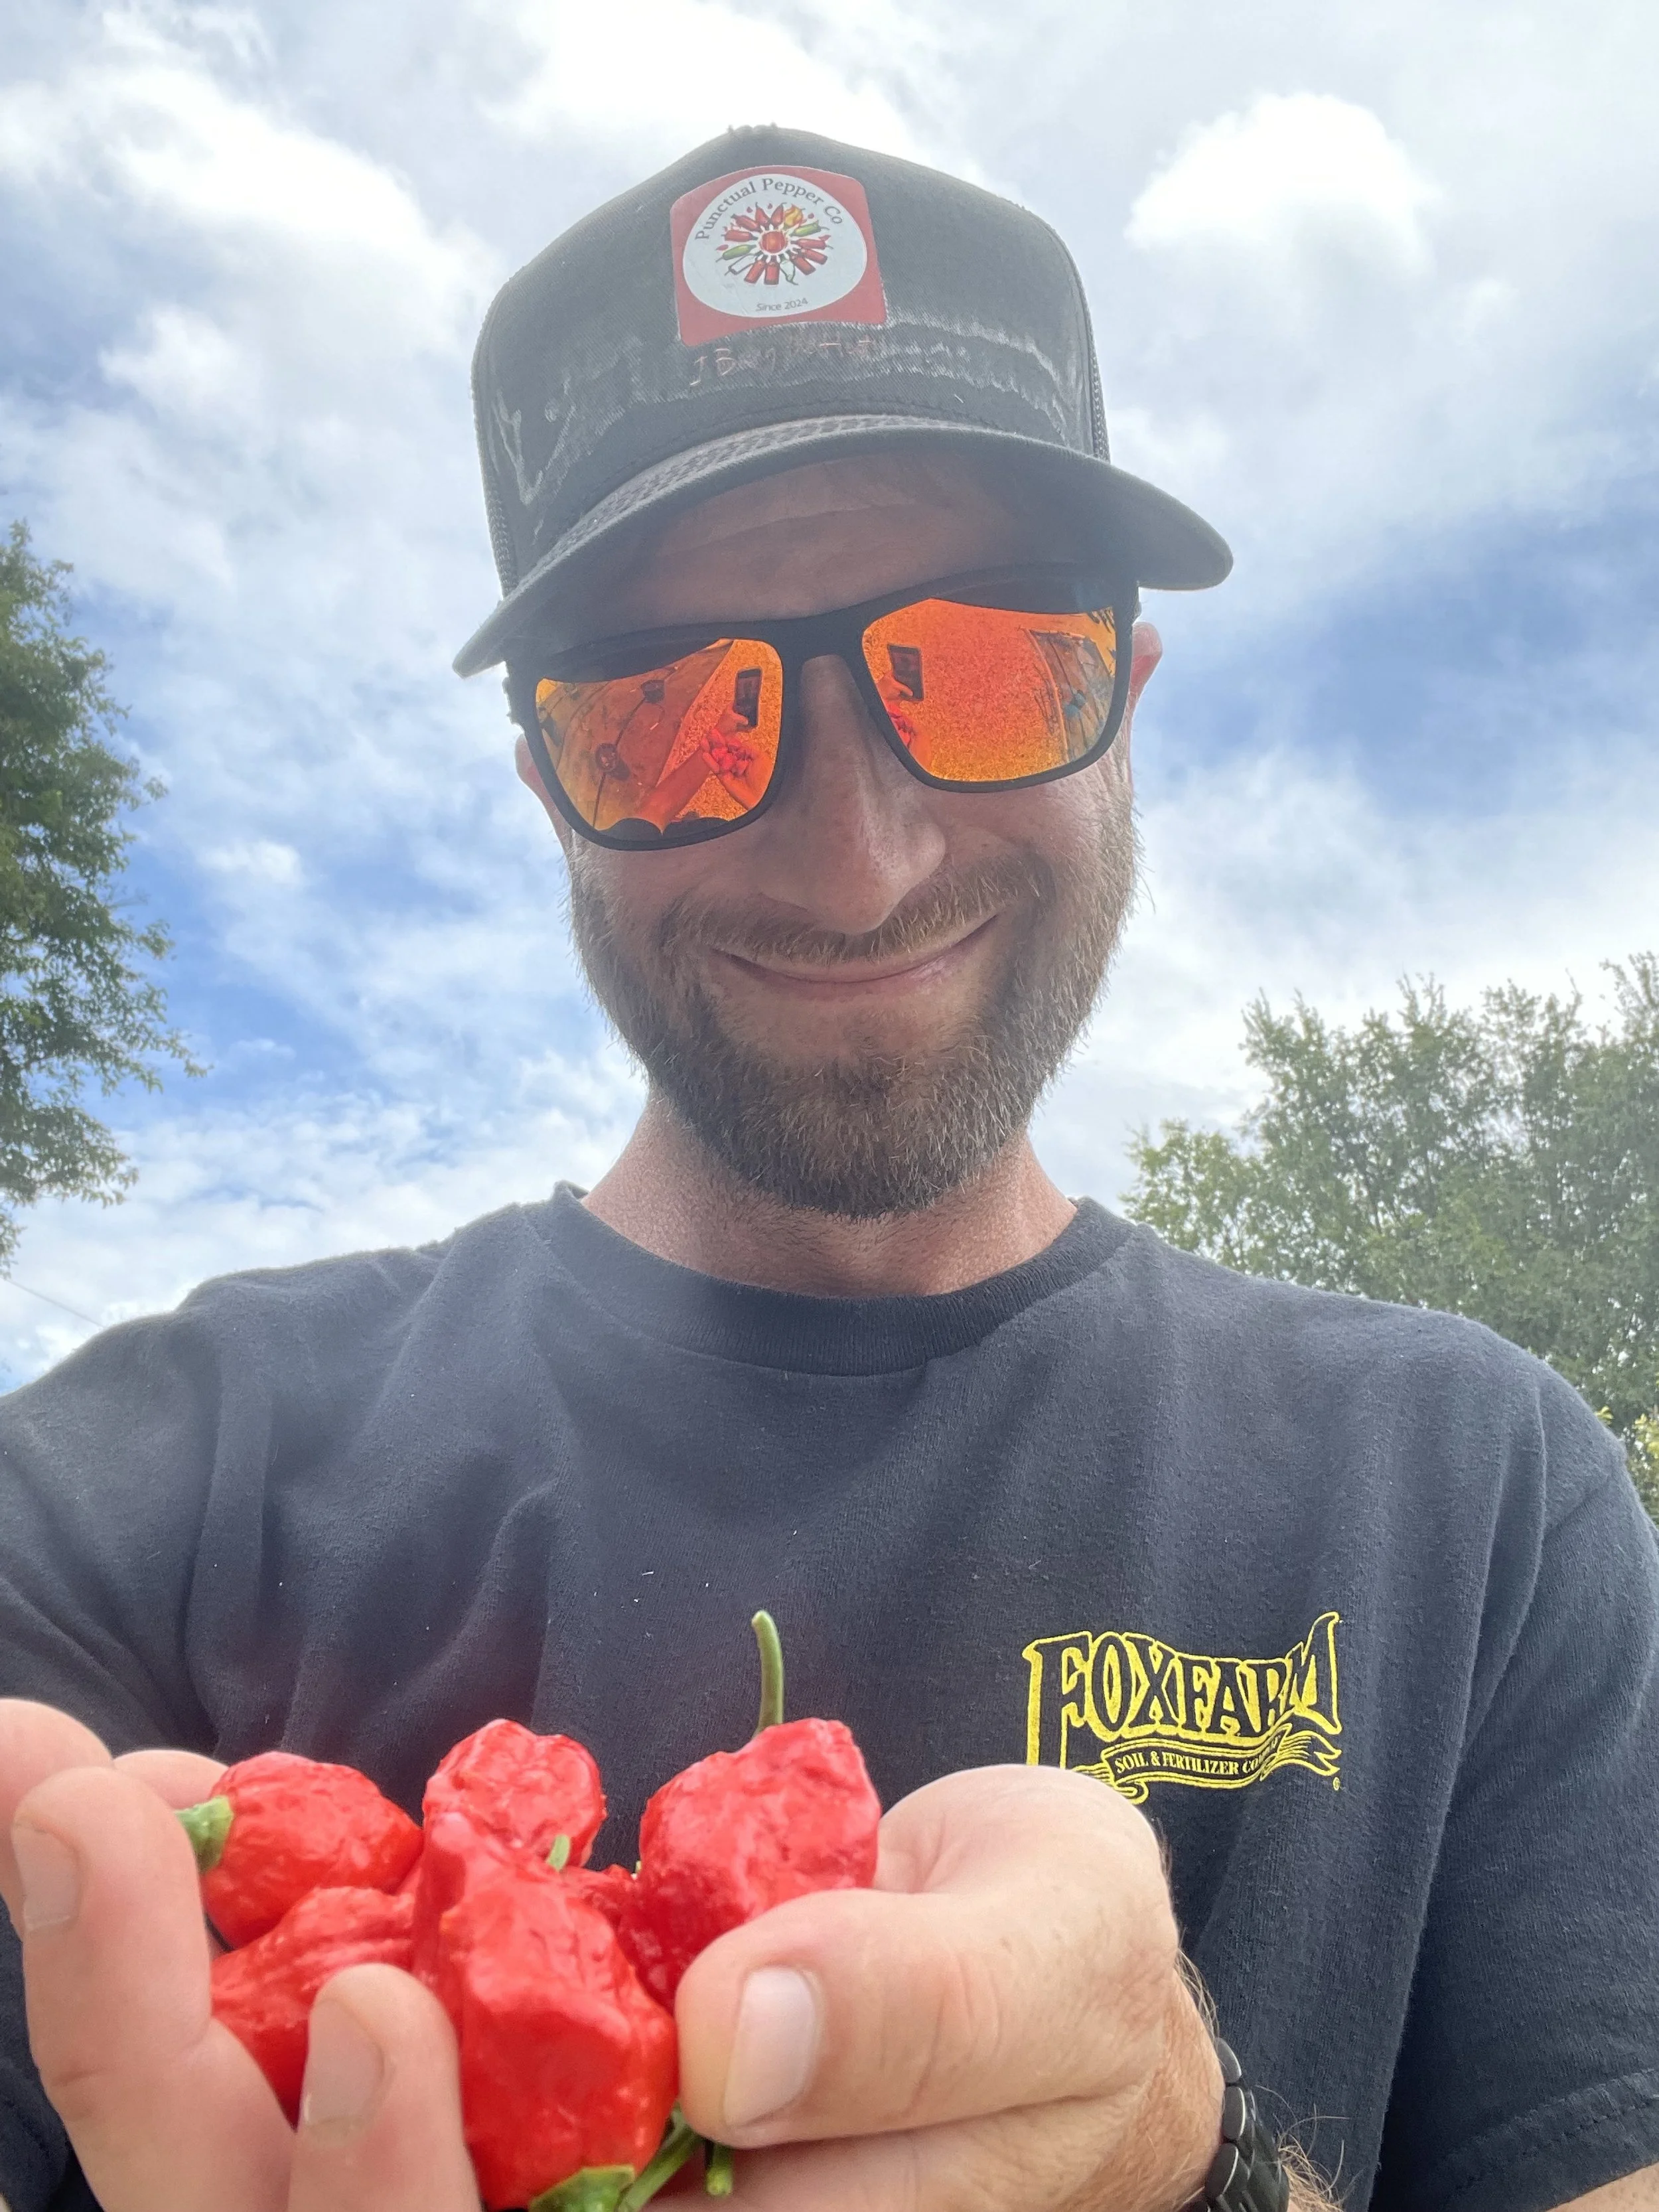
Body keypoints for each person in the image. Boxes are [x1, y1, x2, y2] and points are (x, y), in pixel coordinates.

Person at [0, 123, 1656, 2212]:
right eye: (677, 716)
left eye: (976, 671)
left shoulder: (1477, 1498)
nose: (858, 857)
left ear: (1120, 698)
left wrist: (1186, 2152)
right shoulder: (131, 1497)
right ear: (549, 791)